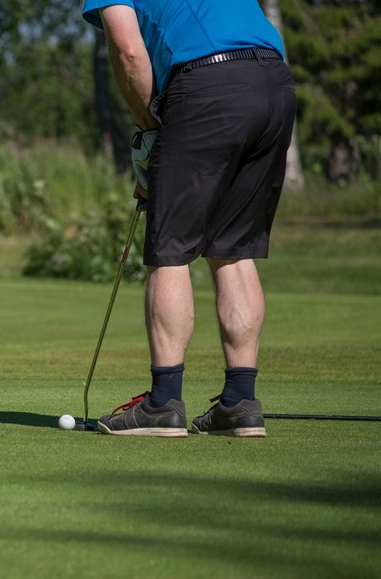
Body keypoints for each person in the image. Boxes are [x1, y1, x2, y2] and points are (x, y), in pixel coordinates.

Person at [82, 0, 296, 437]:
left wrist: (150, 133)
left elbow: (128, 53)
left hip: (208, 82)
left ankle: (162, 404)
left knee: (170, 247)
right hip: (275, 82)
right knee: (233, 248)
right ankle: (240, 403)